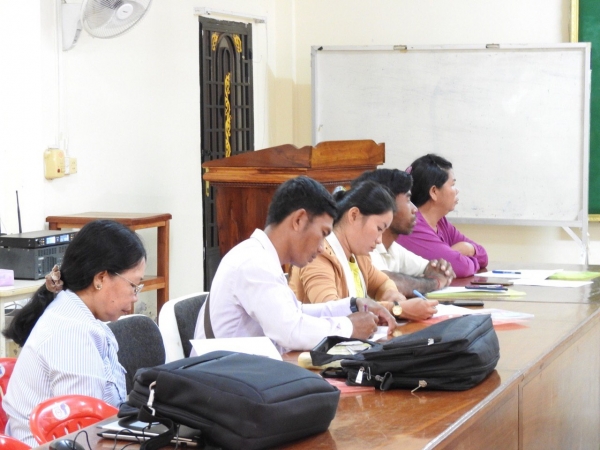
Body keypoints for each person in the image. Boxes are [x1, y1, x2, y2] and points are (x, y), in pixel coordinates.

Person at [193, 176, 396, 354]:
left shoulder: (262, 257)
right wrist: (349, 327)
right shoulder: (253, 263)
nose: (321, 248)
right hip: (219, 379)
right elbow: (290, 331)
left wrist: (352, 305)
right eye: (323, 233)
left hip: (240, 373)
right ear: (299, 220)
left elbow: (296, 314)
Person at [2, 220, 146, 446]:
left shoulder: (82, 318)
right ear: (100, 278)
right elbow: (83, 437)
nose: (135, 297)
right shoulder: (72, 335)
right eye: (133, 285)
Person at [289, 180, 438, 321]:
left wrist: (391, 294)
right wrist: (397, 309)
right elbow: (332, 311)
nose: (379, 240)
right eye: (378, 229)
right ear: (354, 215)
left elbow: (382, 283)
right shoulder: (318, 254)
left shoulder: (359, 255)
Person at [352, 168, 455, 296]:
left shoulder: (393, 248)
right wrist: (435, 282)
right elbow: (386, 283)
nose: (415, 209)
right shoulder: (363, 247)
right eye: (408, 200)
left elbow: (428, 268)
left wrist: (442, 268)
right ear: (385, 204)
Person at [397, 154, 488, 278]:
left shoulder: (441, 222)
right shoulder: (413, 225)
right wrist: (458, 255)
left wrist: (469, 249)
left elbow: (483, 255)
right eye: (452, 185)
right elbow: (462, 267)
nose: (456, 190)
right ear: (434, 192)